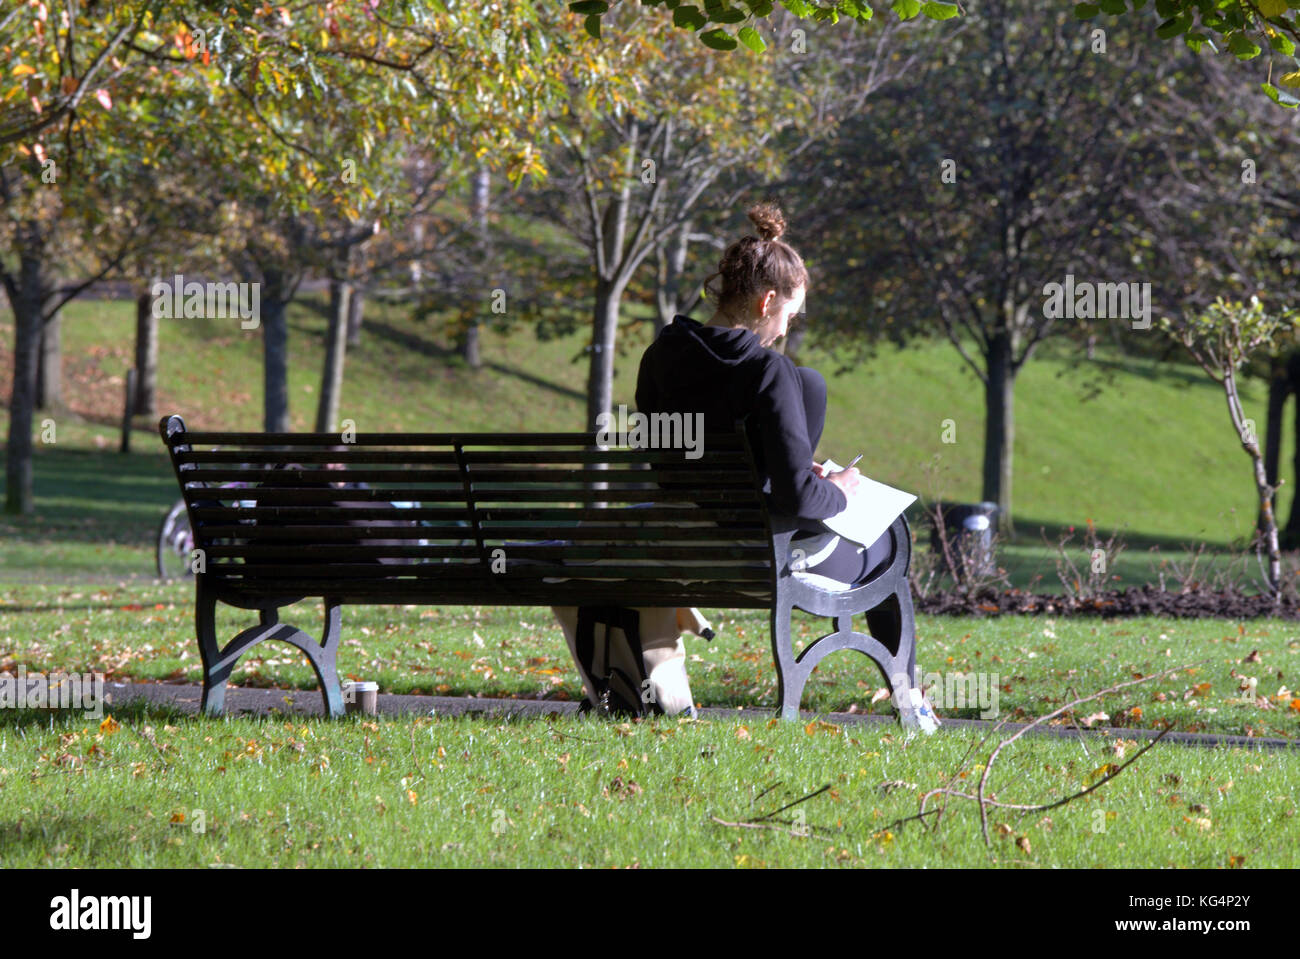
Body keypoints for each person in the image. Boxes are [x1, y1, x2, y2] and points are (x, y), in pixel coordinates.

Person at [635, 200, 894, 587]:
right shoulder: (768, 371)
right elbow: (799, 501)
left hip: (677, 536)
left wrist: (797, 470)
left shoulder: (659, 355)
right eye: (789, 316)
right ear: (768, 300)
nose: (785, 331)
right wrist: (838, 490)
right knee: (888, 545)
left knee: (809, 383)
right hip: (753, 550)